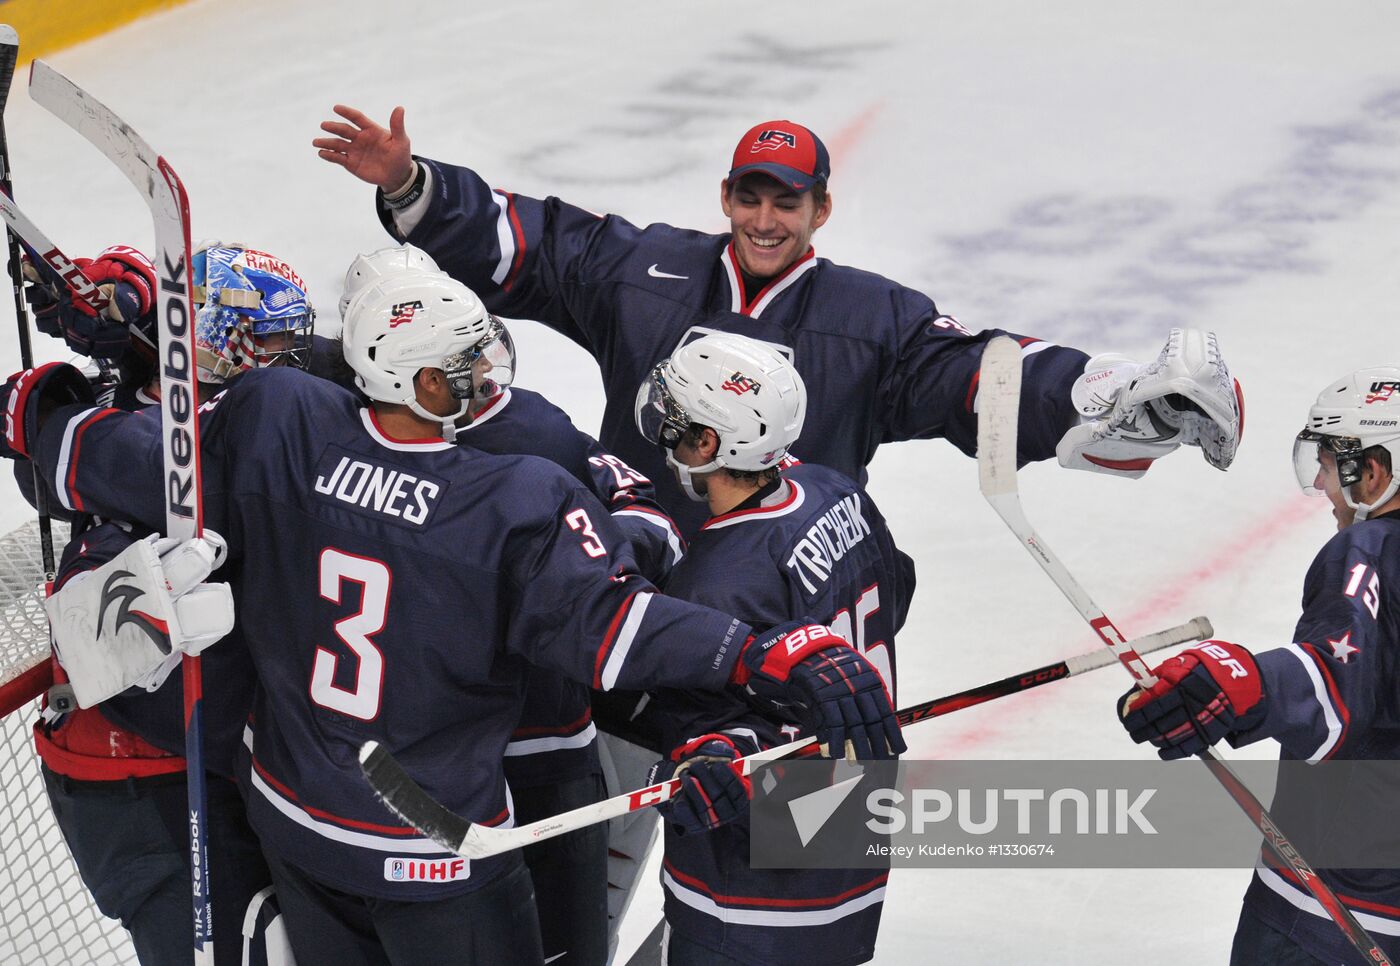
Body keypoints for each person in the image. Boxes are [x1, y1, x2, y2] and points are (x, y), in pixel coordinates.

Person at [2, 269, 902, 966]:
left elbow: (128, 460)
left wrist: (37, 411)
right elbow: (619, 629)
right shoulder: (510, 500)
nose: (482, 377)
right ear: (419, 378)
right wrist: (762, 654)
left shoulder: (279, 422)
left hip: (297, 826)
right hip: (436, 855)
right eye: (461, 365)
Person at [313, 108, 1244, 535]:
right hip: (624, 586)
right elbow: (532, 242)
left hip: (776, 615)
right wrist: (410, 185)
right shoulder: (644, 270)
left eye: (787, 202)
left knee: (748, 888)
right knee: (593, 871)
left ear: (821, 211)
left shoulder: (869, 317)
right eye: (751, 196)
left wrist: (1108, 392)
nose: (766, 219)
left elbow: (980, 375)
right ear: (725, 195)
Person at [332, 243, 684, 965]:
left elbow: (647, 518)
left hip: (502, 752)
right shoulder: (338, 429)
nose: (481, 372)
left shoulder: (525, 430)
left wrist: (593, 563)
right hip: (445, 768)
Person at [14, 241, 315, 964]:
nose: (291, 355)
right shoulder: (151, 440)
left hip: (214, 754)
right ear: (217, 338)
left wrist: (137, 294)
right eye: (272, 337)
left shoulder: (213, 405)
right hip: (136, 773)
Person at [629, 332, 913, 965]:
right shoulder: (835, 489)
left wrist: (699, 761)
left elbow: (707, 741)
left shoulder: (715, 578)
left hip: (752, 887)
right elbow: (901, 584)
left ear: (706, 444)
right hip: (850, 838)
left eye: (678, 415)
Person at [1118, 366, 1400, 964]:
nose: (1321, 483)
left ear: (1372, 472)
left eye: (1328, 464)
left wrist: (1239, 680)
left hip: (1335, 914)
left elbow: (1335, 682)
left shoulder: (1370, 550)